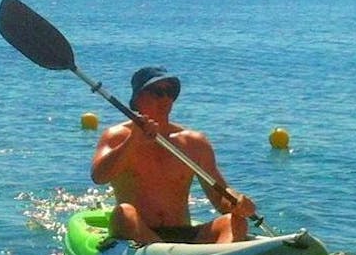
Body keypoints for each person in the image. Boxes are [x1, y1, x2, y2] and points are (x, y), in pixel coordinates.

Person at [91, 66, 255, 245]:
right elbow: (99, 176)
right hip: (137, 232)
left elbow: (220, 196)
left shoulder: (194, 143)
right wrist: (133, 139)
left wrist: (236, 202)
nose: (165, 99)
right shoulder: (116, 136)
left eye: (170, 92)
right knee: (123, 213)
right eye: (157, 92)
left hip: (183, 234)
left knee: (236, 222)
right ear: (137, 98)